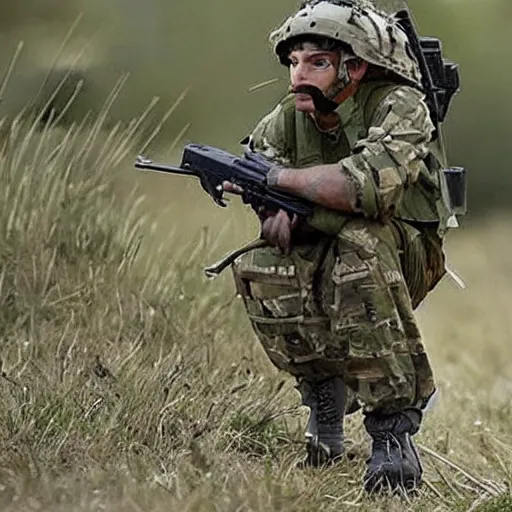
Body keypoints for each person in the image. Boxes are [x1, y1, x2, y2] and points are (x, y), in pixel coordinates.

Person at [223, 0, 458, 494]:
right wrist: (273, 211)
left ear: (354, 67)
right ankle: (323, 399)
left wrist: (282, 181)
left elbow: (369, 188)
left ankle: (393, 434)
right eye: (294, 63)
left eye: (317, 63)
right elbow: (261, 171)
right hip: (330, 239)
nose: (298, 78)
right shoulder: (288, 117)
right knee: (261, 262)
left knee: (359, 244)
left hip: (408, 248)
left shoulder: (400, 105)